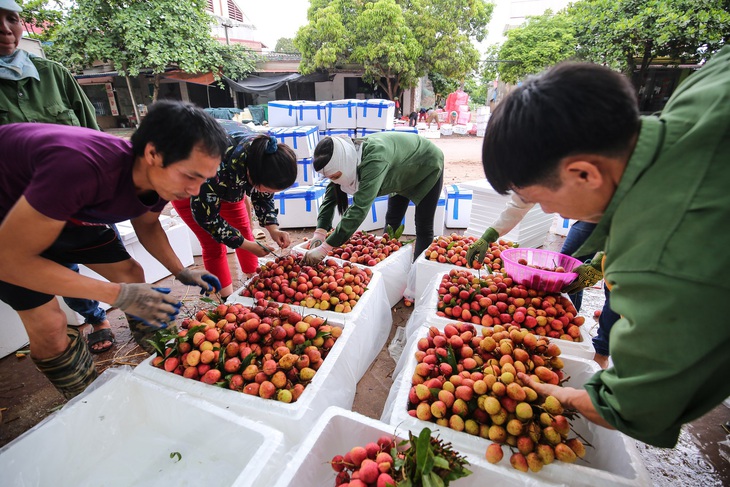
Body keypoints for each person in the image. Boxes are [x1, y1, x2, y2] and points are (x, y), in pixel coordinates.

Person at [480, 48, 730, 448]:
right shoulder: (705, 86)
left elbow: (636, 405)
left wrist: (562, 396)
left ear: (584, 173)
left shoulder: (656, 262)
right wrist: (593, 270)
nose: (546, 211)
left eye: (540, 198)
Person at [0, 100, 227, 399]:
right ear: (152, 153)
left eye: (203, 180)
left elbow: (147, 224)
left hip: (71, 214)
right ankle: (90, 400)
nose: (195, 191)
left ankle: (161, 355)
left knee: (131, 272)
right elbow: (9, 261)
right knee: (50, 324)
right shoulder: (79, 167)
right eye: (190, 176)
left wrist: (181, 271)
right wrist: (118, 295)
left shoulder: (157, 180)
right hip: (9, 216)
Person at [0, 0, 120, 354]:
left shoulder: (53, 74)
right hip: (15, 218)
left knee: (123, 270)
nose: (5, 30)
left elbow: (92, 135)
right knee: (50, 312)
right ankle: (90, 328)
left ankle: (120, 320)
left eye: (12, 19)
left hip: (78, 208)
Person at [466, 194, 618, 368]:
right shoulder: (535, 175)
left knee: (615, 280)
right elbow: (520, 202)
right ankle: (566, 327)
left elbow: (632, 225)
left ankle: (601, 351)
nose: (549, 210)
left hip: (631, 217)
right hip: (595, 211)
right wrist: (490, 234)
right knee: (567, 263)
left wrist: (600, 264)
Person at [171, 128, 298, 299]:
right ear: (251, 175)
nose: (268, 192)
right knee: (213, 245)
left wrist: (273, 229)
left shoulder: (264, 158)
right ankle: (227, 300)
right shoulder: (213, 164)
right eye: (268, 188)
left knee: (243, 230)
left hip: (228, 181)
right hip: (188, 187)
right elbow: (208, 219)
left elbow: (263, 195)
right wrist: (245, 245)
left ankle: (254, 282)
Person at [302, 132, 444, 265]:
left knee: (423, 225)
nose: (334, 181)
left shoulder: (374, 161)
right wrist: (320, 232)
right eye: (330, 178)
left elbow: (360, 208)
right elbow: (330, 197)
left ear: (345, 164)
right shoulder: (348, 159)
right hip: (399, 169)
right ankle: (390, 265)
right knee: (392, 220)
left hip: (426, 163)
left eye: (335, 177)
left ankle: (417, 272)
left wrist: (326, 247)